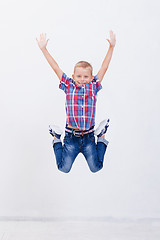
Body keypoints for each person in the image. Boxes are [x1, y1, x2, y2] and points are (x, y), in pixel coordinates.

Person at [36, 30, 116, 173]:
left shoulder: (93, 86)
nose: (82, 79)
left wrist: (111, 47)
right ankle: (56, 136)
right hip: (71, 137)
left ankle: (102, 134)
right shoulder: (69, 85)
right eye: (79, 76)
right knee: (63, 168)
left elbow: (105, 67)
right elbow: (55, 67)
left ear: (91, 77)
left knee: (96, 167)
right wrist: (44, 49)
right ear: (73, 76)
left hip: (89, 138)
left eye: (86, 76)